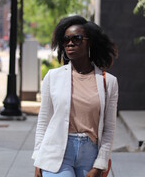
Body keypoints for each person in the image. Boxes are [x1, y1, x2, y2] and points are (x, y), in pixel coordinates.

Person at [32, 15, 118, 177]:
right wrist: (38, 158)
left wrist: (100, 164)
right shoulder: (53, 77)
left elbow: (109, 129)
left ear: (89, 42)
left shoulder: (108, 82)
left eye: (76, 38)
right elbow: (43, 121)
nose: (70, 43)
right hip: (56, 151)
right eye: (65, 40)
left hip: (90, 154)